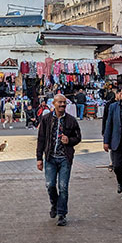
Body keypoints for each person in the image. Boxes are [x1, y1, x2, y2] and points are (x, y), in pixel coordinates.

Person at [36, 94, 82, 226]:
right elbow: (41, 140)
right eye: (59, 103)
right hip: (50, 157)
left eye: (64, 103)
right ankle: (54, 204)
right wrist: (39, 158)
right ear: (54, 104)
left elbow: (78, 137)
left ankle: (62, 214)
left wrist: (69, 140)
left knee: (63, 187)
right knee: (50, 185)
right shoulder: (46, 119)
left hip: (64, 159)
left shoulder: (71, 120)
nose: (62, 105)